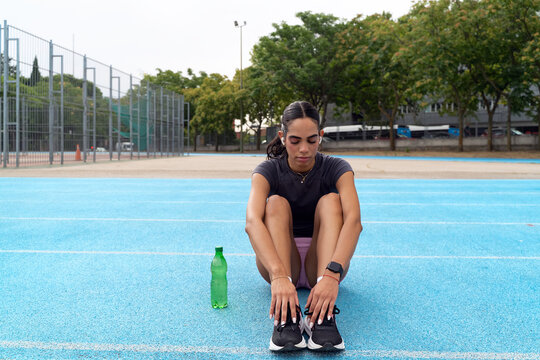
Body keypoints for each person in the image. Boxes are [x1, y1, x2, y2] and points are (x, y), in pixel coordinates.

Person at [245, 101, 363, 352]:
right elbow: (252, 221)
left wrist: (332, 275)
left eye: (311, 140)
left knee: (332, 201)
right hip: (278, 261)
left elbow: (354, 221)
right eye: (295, 140)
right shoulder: (267, 170)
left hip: (323, 262)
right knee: (274, 203)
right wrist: (278, 275)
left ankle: (322, 318)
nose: (304, 149)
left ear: (320, 137)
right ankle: (286, 319)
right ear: (282, 137)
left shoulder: (337, 167)